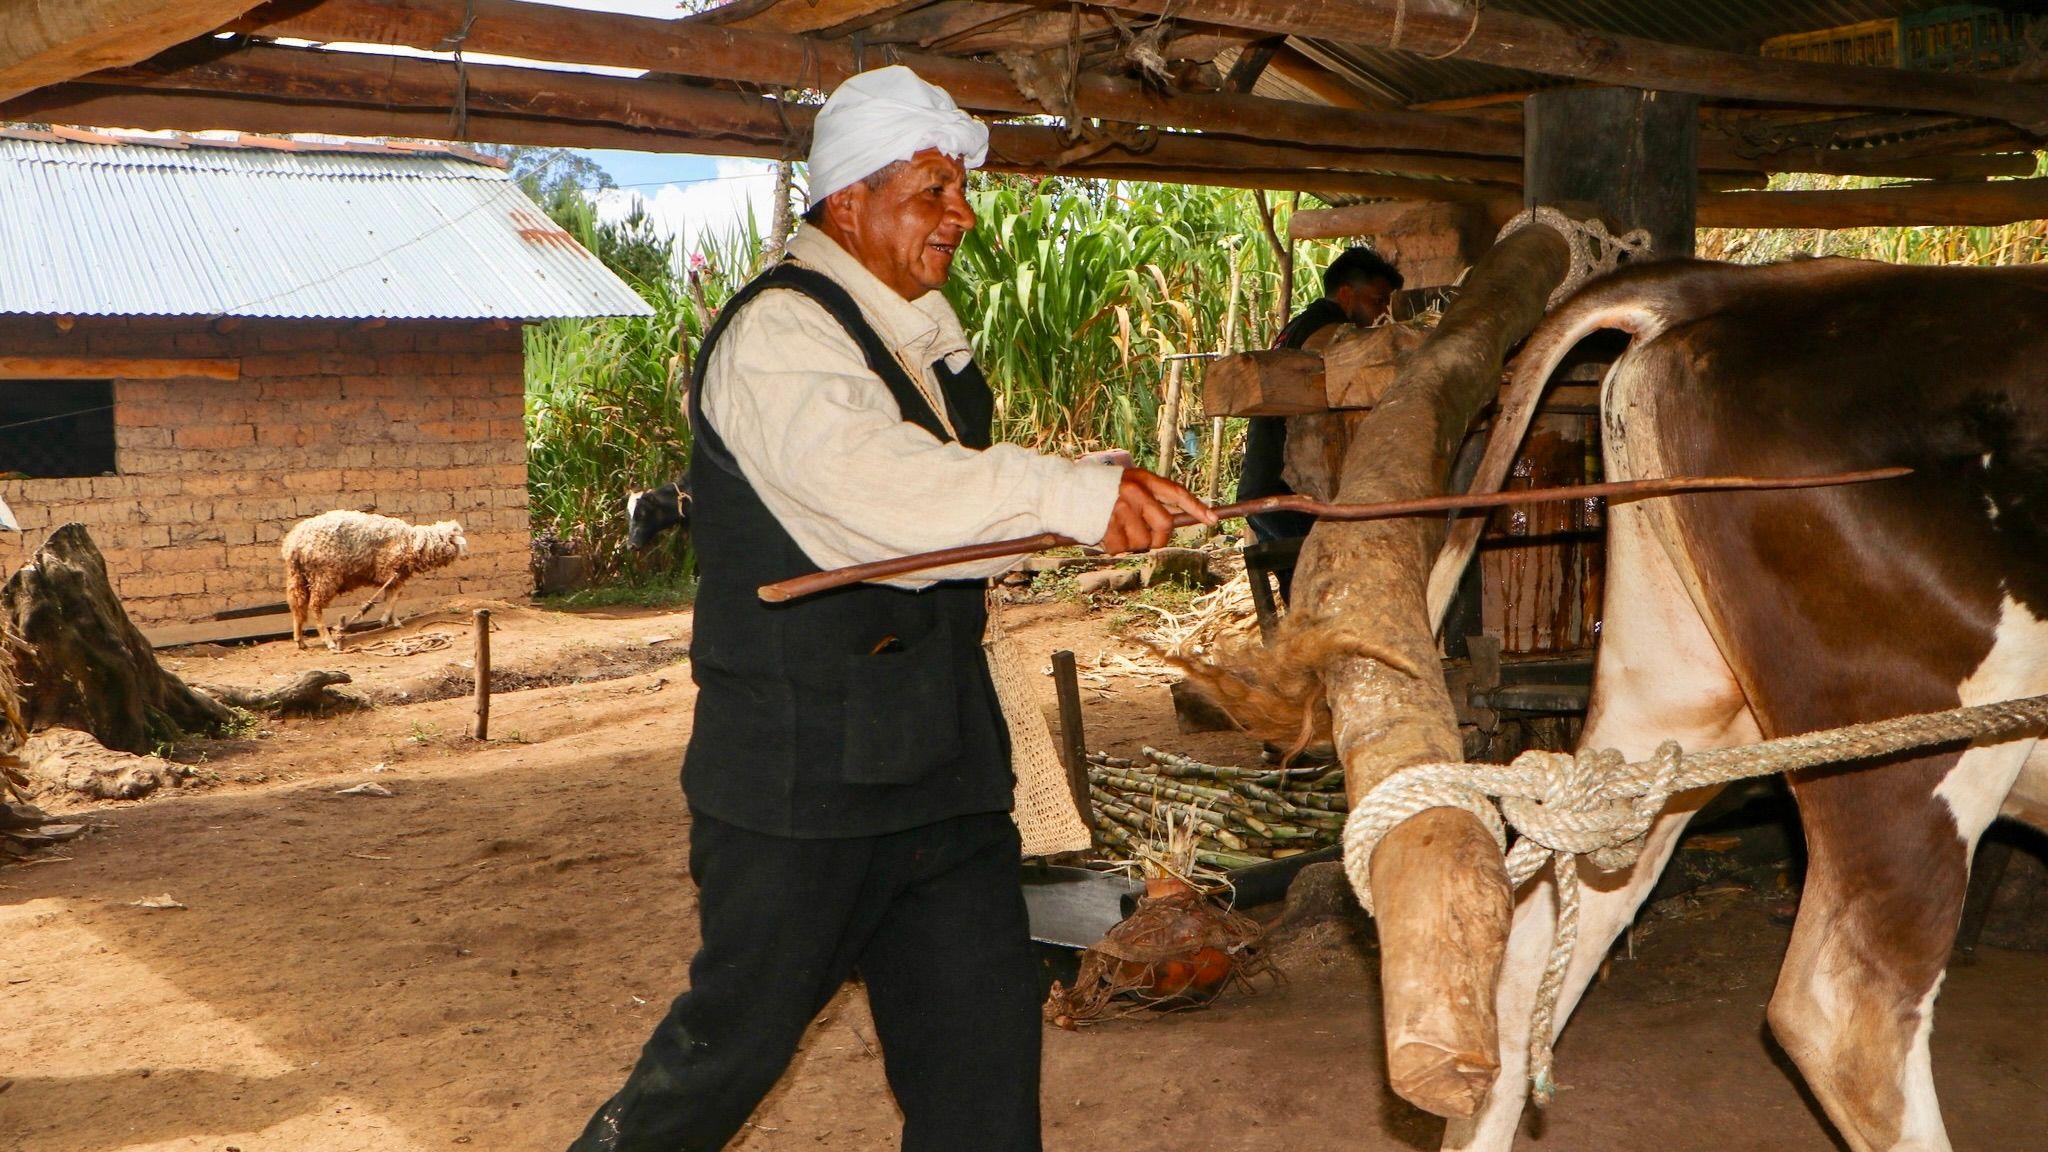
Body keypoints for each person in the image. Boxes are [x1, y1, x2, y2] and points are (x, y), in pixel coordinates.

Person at [565, 66, 1212, 1152]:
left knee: (981, 1066)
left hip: (939, 777)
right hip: (801, 785)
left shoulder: (915, 328)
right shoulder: (781, 335)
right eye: (930, 191)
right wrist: (1064, 495)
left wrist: (1088, 485)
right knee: (726, 1057)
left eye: (959, 190)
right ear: (846, 201)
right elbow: (881, 502)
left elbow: (944, 483)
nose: (958, 214)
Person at [1236, 246, 1404, 550]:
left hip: (1262, 485)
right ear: (1346, 293)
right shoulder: (1331, 331)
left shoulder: (1300, 324)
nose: (1383, 311)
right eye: (1378, 300)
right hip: (1288, 491)